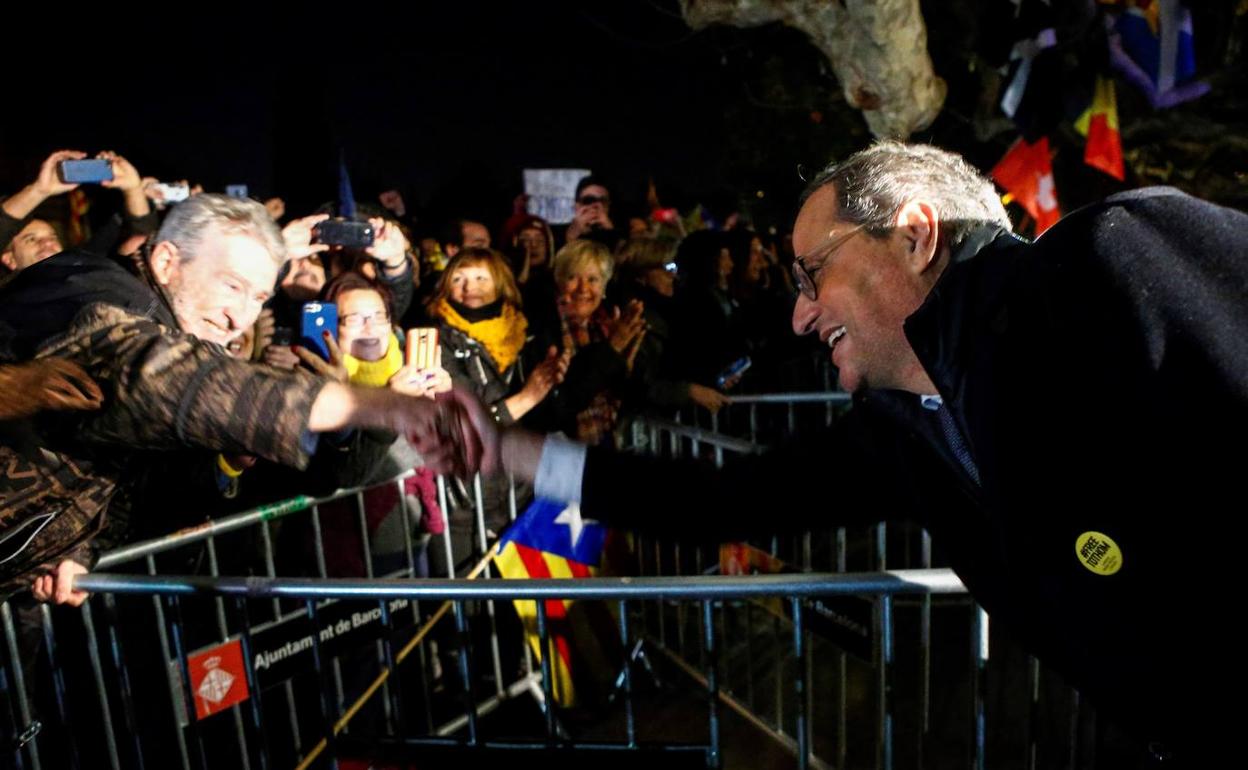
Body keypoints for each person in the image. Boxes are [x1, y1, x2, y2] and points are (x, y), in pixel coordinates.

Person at [482, 141, 1248, 765]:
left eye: (811, 274)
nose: (799, 315)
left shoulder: (1114, 259)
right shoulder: (902, 434)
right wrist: (511, 452)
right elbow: (727, 499)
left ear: (915, 233)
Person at [0, 194, 491, 604]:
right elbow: (146, 373)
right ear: (167, 262)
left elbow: (125, 480)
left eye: (258, 297)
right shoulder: (90, 288)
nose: (241, 317)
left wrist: (78, 549)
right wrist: (362, 404)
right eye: (232, 285)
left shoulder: (188, 323)